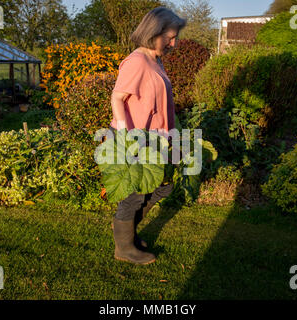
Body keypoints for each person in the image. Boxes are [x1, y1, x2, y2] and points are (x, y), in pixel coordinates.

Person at [109, 7, 186, 265]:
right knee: (134, 194)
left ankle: (128, 235)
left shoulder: (155, 60)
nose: (174, 43)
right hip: (134, 138)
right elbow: (117, 98)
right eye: (170, 37)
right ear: (153, 33)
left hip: (156, 139)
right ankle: (124, 248)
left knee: (164, 186)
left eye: (175, 38)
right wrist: (126, 138)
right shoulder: (137, 61)